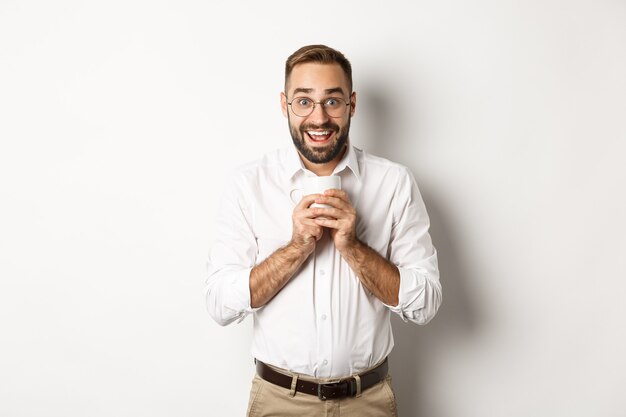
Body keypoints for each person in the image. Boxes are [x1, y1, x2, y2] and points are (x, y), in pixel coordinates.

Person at [205, 44, 442, 417]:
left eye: (332, 101)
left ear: (352, 104)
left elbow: (426, 303)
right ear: (284, 105)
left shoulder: (394, 183)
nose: (318, 118)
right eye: (304, 102)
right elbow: (220, 304)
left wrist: (352, 247)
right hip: (278, 401)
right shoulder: (249, 185)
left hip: (368, 401)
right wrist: (297, 246)